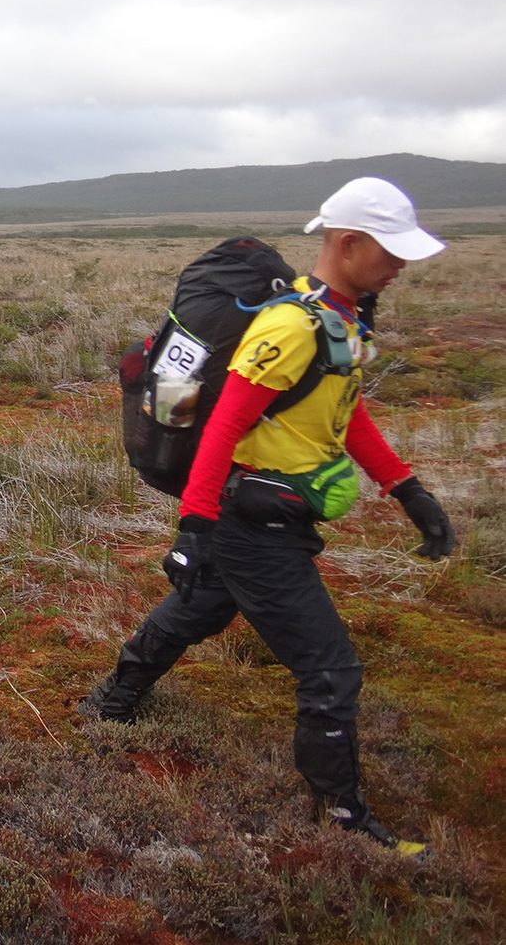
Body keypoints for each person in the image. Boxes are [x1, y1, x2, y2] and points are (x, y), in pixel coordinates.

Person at [82, 178, 455, 857]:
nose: (401, 265)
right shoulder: (290, 327)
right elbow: (223, 425)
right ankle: (343, 821)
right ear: (347, 242)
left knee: (202, 608)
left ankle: (117, 693)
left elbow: (343, 410)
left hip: (260, 516)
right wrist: (192, 527)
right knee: (331, 671)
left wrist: (407, 490)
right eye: (391, 251)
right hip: (256, 522)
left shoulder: (337, 318)